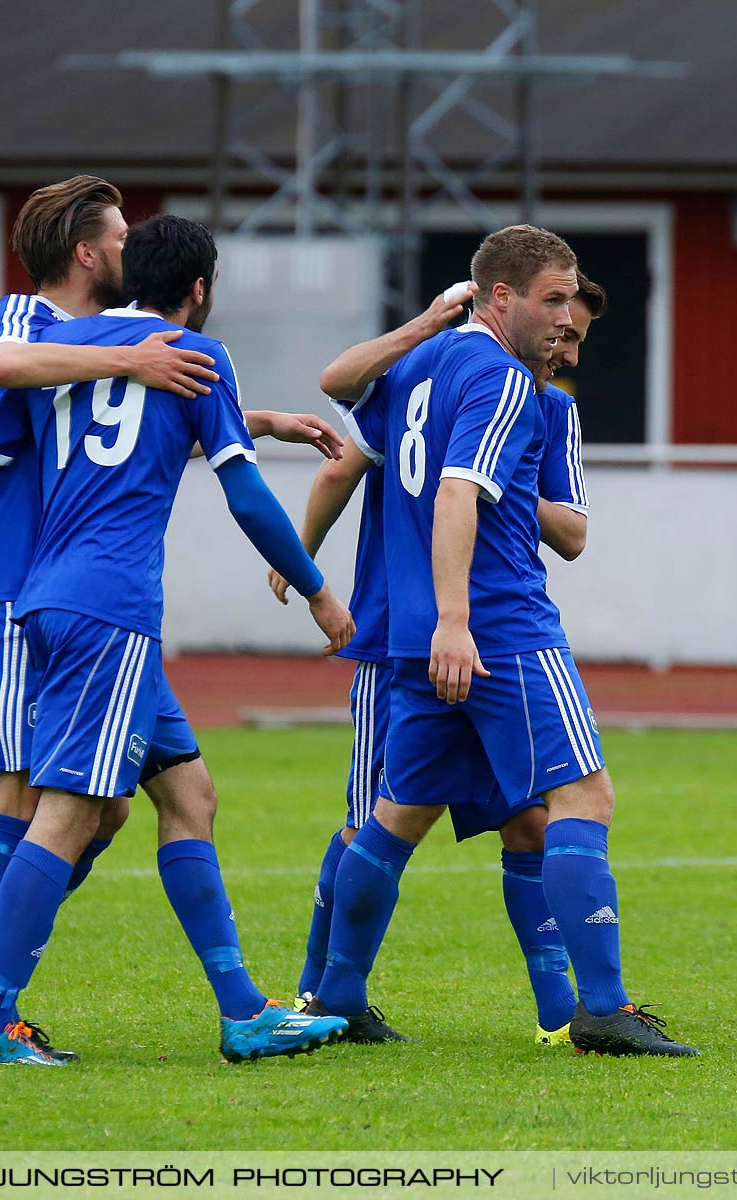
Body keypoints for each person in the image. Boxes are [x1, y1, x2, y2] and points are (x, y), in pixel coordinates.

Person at [0, 177, 343, 1059]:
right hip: (101, 606)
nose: (119, 243)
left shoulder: (70, 345)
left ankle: (242, 1011)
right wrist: (315, 586)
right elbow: (244, 497)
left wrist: (243, 413)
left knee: (186, 795)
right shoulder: (43, 328)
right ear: (200, 289)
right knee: (63, 810)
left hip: (59, 597)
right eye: (109, 231)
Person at [308, 225, 697, 1056]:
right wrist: (457, 619)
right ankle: (601, 1006)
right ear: (501, 297)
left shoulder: (417, 367)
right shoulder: (501, 378)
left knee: (395, 815)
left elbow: (348, 416)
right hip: (497, 628)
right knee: (583, 800)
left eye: (573, 306)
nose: (564, 321)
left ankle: (337, 990)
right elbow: (457, 494)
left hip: (413, 636)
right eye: (553, 300)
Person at [273, 271, 607, 1046]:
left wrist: (503, 476)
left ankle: (559, 1013)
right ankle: (323, 996)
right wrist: (301, 560)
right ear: (507, 301)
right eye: (557, 315)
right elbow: (345, 461)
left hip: (437, 637)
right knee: (379, 817)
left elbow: (572, 532)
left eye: (579, 330)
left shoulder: (544, 409)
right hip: (410, 637)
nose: (566, 338)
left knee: (516, 821)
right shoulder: (445, 373)